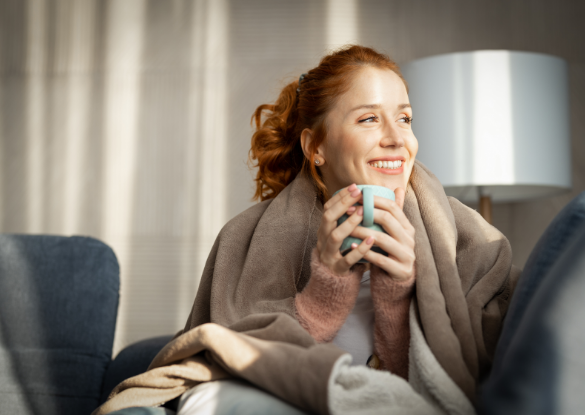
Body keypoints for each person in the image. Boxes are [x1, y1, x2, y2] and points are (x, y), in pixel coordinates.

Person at [95, 46, 519, 415]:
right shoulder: (244, 238)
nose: (397, 139)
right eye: (369, 119)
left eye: (405, 118)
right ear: (315, 148)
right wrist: (325, 288)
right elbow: (218, 365)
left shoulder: (471, 242)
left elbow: (455, 390)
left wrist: (399, 289)